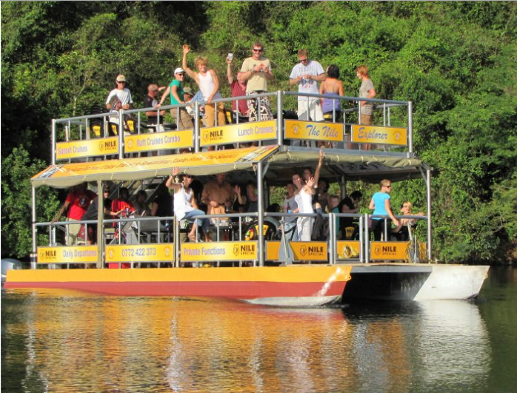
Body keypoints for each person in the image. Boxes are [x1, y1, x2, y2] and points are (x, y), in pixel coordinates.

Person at [182, 44, 226, 151]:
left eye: (204, 65)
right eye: (200, 65)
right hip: (208, 103)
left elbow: (216, 84)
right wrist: (184, 54)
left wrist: (211, 95)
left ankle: (223, 146)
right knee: (210, 125)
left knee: (222, 123)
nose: (203, 67)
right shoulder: (198, 76)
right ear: (198, 66)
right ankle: (210, 148)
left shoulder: (211, 72)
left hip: (217, 100)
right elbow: (185, 68)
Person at [166, 168, 210, 242]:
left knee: (205, 218)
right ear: (184, 177)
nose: (191, 179)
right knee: (201, 214)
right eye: (189, 177)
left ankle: (207, 238)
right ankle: (192, 233)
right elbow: (168, 185)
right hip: (181, 212)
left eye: (192, 177)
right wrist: (172, 176)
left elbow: (193, 203)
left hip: (189, 212)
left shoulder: (191, 190)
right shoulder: (179, 186)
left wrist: (198, 213)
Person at [240, 41, 274, 122]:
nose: (257, 52)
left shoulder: (266, 61)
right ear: (252, 50)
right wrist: (252, 70)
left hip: (263, 90)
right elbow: (242, 77)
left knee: (265, 115)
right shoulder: (247, 61)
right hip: (251, 90)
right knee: (253, 115)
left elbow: (271, 77)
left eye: (259, 50)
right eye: (255, 50)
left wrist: (266, 71)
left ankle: (266, 132)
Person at [289, 49, 326, 123]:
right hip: (302, 98)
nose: (303, 62)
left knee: (318, 119)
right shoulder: (296, 67)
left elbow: (324, 77)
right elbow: (291, 82)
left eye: (304, 60)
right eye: (301, 60)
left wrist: (312, 77)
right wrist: (297, 79)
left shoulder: (315, 64)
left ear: (307, 56)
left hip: (314, 97)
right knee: (302, 121)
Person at [156, 67, 194, 132]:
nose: (182, 76)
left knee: (182, 129)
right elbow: (173, 91)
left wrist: (160, 103)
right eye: (180, 74)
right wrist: (180, 101)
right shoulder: (176, 82)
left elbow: (165, 94)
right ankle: (193, 141)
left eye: (183, 74)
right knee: (190, 127)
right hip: (179, 108)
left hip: (173, 109)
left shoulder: (172, 83)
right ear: (175, 75)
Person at [356, 65, 377, 150]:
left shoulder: (368, 81)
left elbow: (373, 93)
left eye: (358, 73)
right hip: (362, 111)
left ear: (362, 72)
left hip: (366, 111)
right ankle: (363, 151)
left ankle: (366, 152)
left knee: (365, 132)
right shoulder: (364, 82)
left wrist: (363, 101)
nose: (357, 75)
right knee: (360, 132)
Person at [292, 172, 316, 241]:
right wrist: (292, 211)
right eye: (294, 179)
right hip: (300, 217)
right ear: (293, 181)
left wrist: (310, 186)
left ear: (300, 179)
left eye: (297, 178)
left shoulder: (305, 187)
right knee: (300, 237)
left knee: (306, 238)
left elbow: (313, 192)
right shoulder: (295, 192)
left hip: (308, 215)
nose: (296, 180)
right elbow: (300, 206)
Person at [226, 55, 249, 123]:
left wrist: (251, 109)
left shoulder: (249, 85)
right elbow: (229, 76)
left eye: (242, 76)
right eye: (239, 76)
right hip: (237, 113)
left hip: (248, 113)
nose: (241, 78)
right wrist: (229, 64)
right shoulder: (234, 84)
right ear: (237, 78)